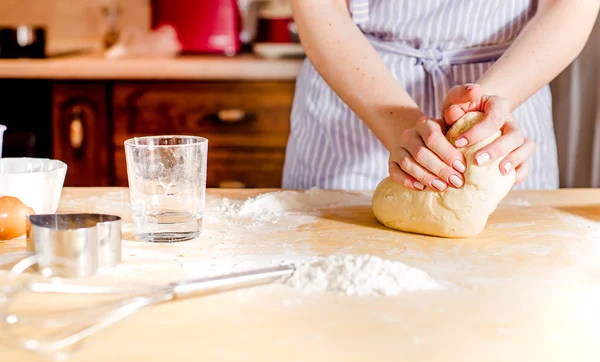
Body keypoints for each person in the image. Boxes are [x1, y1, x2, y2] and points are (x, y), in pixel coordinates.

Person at [282, 0, 600, 192]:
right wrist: (401, 127)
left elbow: (568, 6)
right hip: (357, 94)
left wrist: (481, 111)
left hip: (511, 88)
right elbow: (320, 7)